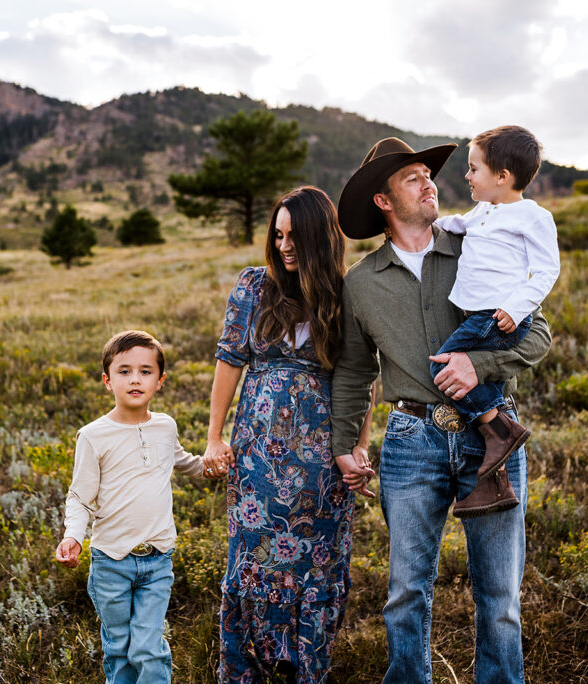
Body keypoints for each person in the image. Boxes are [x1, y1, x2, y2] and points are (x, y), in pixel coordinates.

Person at [330, 138, 552, 683]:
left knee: (499, 595)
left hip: (491, 435)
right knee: (406, 591)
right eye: (412, 178)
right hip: (411, 441)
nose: (430, 182)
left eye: (429, 175)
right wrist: (343, 446)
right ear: (384, 201)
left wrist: (480, 365)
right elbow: (356, 372)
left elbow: (538, 333)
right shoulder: (360, 283)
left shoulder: (478, 247)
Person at [202, 186, 372, 684]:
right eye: (277, 235)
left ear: (321, 237)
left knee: (315, 567)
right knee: (252, 561)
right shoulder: (254, 286)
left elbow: (360, 379)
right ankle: (246, 672)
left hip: (323, 465)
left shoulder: (345, 295)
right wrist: (215, 437)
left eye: (294, 236)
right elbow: (229, 361)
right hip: (257, 457)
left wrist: (358, 447)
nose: (284, 246)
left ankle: (305, 669)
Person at [54, 329, 221, 684]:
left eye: (145, 371)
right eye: (124, 370)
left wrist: (213, 465)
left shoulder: (165, 426)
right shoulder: (93, 435)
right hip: (110, 562)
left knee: (148, 647)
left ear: (160, 381)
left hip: (157, 558)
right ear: (107, 380)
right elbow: (80, 498)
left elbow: (183, 461)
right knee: (120, 647)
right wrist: (73, 536)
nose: (135, 379)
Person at [429, 125, 560, 517]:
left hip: (497, 315)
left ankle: (500, 429)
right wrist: (432, 224)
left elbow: (546, 270)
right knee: (464, 374)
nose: (467, 177)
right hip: (477, 312)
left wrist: (516, 309)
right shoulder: (484, 211)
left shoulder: (532, 217)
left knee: (441, 365)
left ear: (502, 177)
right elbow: (461, 224)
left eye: (474, 170)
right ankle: (493, 456)